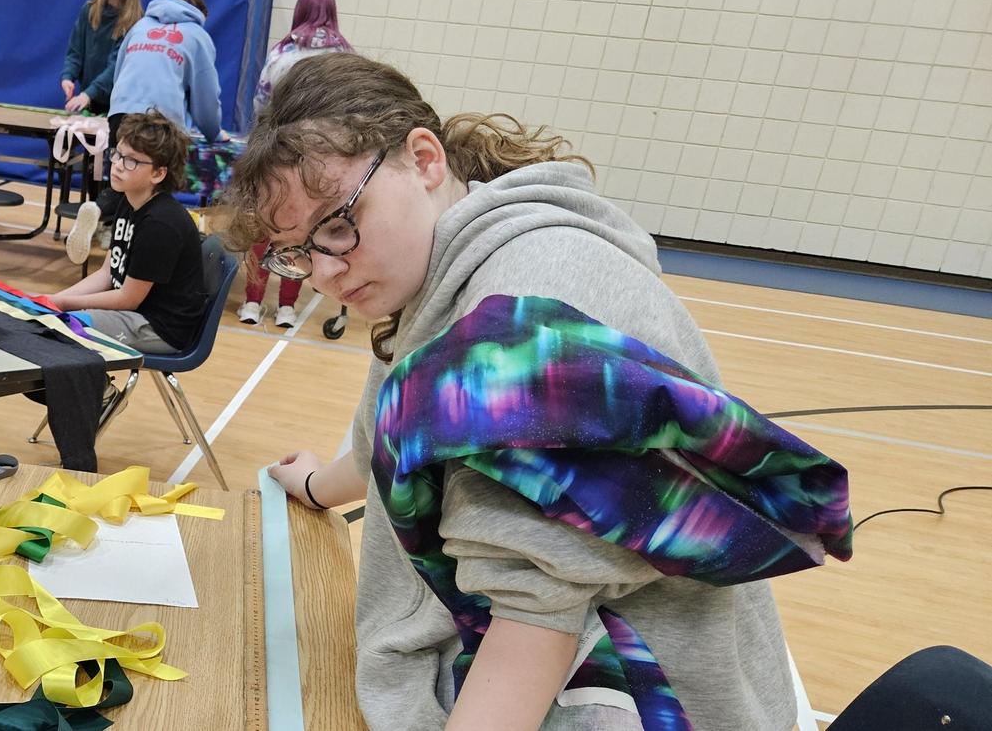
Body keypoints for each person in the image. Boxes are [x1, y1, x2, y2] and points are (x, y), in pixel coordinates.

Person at [222, 52, 850, 730]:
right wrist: (318, 485)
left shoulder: (519, 328)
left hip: (629, 694)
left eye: (338, 224)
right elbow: (390, 432)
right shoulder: (438, 262)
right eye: (297, 253)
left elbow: (529, 629)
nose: (325, 272)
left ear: (424, 159)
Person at [63, 0, 221, 265]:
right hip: (161, 121)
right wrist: (214, 133)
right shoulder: (196, 35)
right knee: (155, 185)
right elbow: (205, 95)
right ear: (198, 14)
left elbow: (120, 72)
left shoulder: (140, 26)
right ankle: (143, 256)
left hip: (121, 112)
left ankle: (104, 217)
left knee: (124, 177)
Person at [240, 0, 356, 328]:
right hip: (325, 162)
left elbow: (260, 106)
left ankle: (250, 304)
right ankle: (287, 309)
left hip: (278, 156)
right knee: (302, 231)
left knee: (264, 226)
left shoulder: (281, 54)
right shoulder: (346, 59)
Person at [48, 110, 206, 355]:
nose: (118, 166)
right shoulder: (128, 201)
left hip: (158, 327)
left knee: (63, 329)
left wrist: (64, 304)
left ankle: (102, 393)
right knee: (51, 317)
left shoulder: (161, 225)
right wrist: (53, 299)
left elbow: (127, 299)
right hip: (134, 313)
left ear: (158, 173)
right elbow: (107, 272)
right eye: (118, 155)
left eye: (131, 161)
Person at [62, 0, 143, 116]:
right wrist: (68, 77)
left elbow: (116, 67)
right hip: (89, 100)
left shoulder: (135, 21)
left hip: (118, 106)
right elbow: (75, 52)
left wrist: (88, 94)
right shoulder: (89, 9)